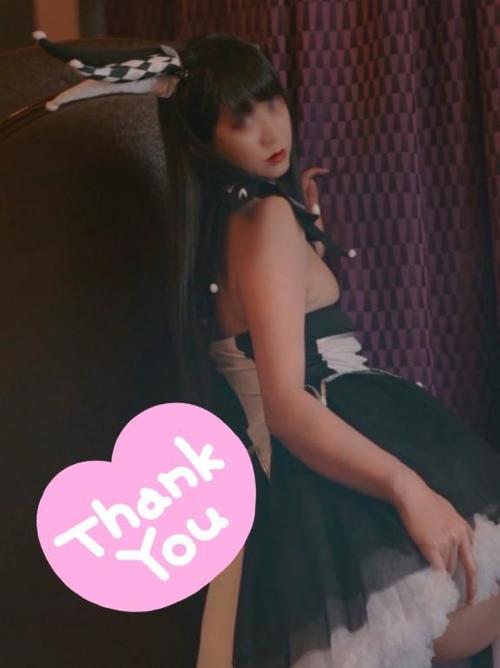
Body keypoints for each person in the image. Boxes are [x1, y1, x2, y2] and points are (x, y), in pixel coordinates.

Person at [34, 31, 500, 668]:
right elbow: (286, 405)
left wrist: (306, 226)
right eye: (240, 120)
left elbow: (270, 332)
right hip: (337, 467)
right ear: (204, 142)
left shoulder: (220, 232)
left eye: (271, 101)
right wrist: (409, 489)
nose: (269, 129)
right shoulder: (264, 221)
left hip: (296, 493)